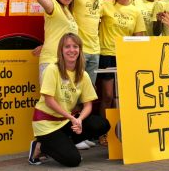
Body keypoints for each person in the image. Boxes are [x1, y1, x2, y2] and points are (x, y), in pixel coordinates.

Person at [29, 33, 110, 167]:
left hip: (65, 121)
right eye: (67, 47)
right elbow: (49, 101)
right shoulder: (52, 69)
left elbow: (88, 105)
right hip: (46, 123)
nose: (72, 50)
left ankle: (63, 143)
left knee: (101, 124)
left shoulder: (82, 74)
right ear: (61, 50)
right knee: (73, 160)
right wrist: (71, 118)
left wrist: (79, 120)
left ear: (80, 50)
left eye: (75, 46)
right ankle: (40, 146)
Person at [98, 0, 146, 122]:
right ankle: (104, 131)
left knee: (123, 96)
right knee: (107, 95)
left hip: (125, 57)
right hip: (107, 54)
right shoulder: (106, 5)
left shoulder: (136, 12)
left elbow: (139, 37)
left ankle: (119, 130)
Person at [31, 0, 78, 83]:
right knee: (48, 98)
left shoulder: (68, 11)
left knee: (64, 99)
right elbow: (46, 4)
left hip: (66, 62)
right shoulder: (53, 4)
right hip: (51, 61)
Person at [74, 0, 109, 86]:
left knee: (89, 90)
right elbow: (58, 9)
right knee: (75, 89)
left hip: (95, 50)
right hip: (78, 48)